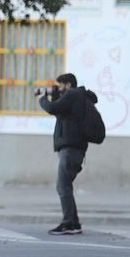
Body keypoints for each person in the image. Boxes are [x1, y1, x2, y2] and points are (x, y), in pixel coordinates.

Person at [37, 73, 100, 236]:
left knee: (62, 186)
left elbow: (53, 108)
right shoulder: (78, 98)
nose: (60, 89)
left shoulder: (73, 95)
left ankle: (69, 223)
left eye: (62, 85)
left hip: (71, 149)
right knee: (65, 186)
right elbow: (62, 112)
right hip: (75, 149)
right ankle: (73, 223)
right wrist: (56, 96)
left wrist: (43, 98)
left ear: (69, 85)